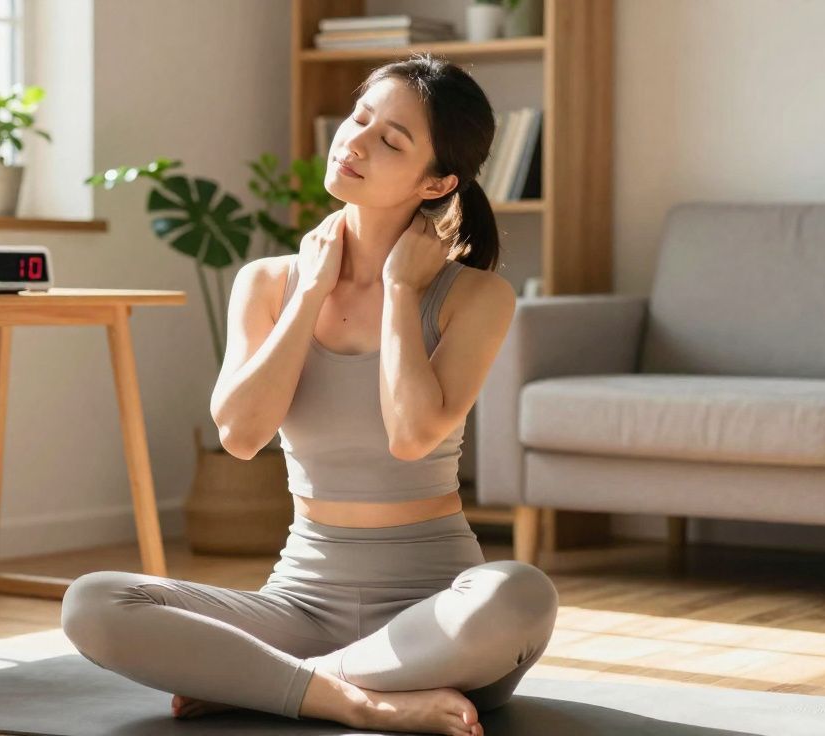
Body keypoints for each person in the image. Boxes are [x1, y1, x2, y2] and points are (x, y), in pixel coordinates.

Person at [61, 52, 558, 736]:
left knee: (520, 594)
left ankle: (273, 683)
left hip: (437, 613)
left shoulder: (475, 295)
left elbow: (411, 436)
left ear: (438, 180)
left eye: (390, 140)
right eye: (358, 118)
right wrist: (311, 292)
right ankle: (350, 698)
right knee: (92, 604)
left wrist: (400, 289)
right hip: (298, 604)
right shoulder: (267, 282)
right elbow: (240, 435)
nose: (354, 141)